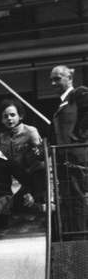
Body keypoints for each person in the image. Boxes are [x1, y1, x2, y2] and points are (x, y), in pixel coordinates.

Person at [49, 64, 88, 231]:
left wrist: (79, 136)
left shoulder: (78, 94)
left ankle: (81, 239)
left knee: (77, 201)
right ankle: (73, 238)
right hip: (63, 164)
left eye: (57, 79)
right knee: (68, 202)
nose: (53, 83)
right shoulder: (61, 104)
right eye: (51, 80)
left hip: (76, 160)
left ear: (69, 78)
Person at [0, 100, 46, 212]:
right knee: (14, 205)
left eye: (12, 115)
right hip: (25, 179)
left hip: (39, 176)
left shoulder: (30, 131)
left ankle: (47, 208)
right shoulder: (1, 138)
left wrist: (39, 151)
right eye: (5, 116)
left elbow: (40, 149)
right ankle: (45, 208)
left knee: (19, 204)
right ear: (1, 120)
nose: (9, 118)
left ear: (20, 116)